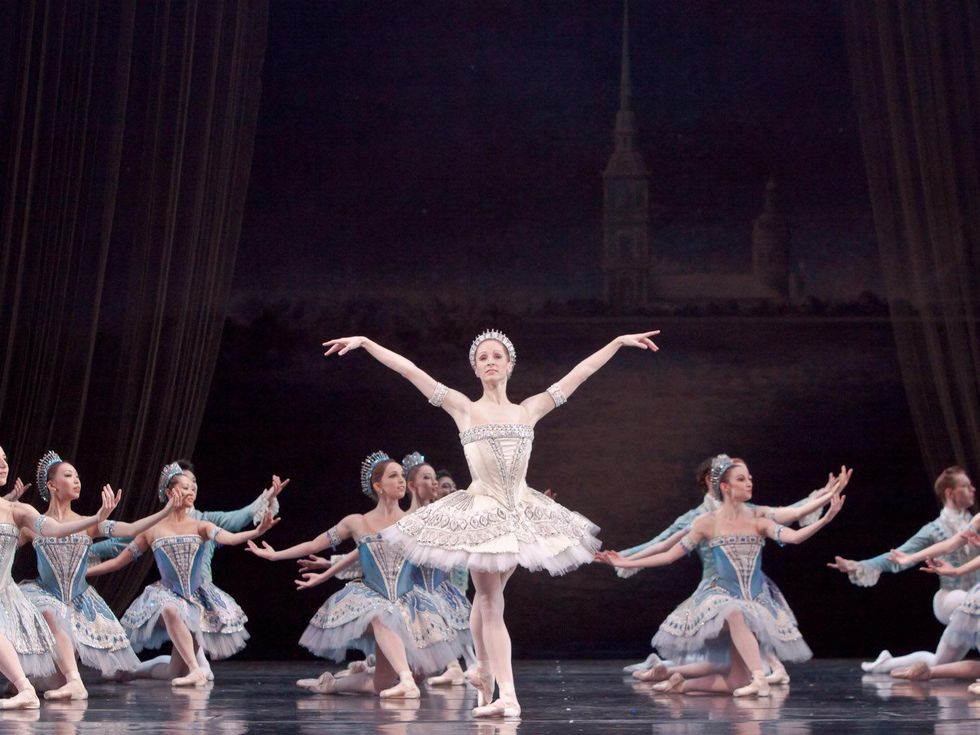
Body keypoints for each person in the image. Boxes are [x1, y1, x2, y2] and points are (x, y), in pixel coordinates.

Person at [322, 329, 660, 717]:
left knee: (487, 602)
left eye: (497, 355)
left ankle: (484, 676)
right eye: (482, 357)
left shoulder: (528, 409)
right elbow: (410, 371)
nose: (490, 361)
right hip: (481, 513)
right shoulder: (464, 408)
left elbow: (579, 374)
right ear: (475, 368)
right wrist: (367, 343)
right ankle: (508, 696)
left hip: (519, 514)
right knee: (488, 601)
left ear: (510, 365)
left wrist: (615, 342)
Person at [597, 455, 845, 697]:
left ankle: (681, 682)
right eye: (741, 478)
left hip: (752, 591)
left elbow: (792, 518)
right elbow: (664, 547)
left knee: (735, 675)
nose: (749, 482)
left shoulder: (757, 515)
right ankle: (761, 676)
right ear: (718, 483)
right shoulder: (701, 519)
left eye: (749, 477)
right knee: (733, 612)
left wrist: (826, 504)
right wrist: (625, 559)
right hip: (716, 591)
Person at [247, 452, 460, 699]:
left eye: (402, 476)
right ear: (378, 486)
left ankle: (330, 685)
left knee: (382, 683)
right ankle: (406, 681)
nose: (401, 481)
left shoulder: (413, 521)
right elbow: (315, 544)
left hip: (406, 602)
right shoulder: (356, 522)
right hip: (373, 597)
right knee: (381, 615)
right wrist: (276, 555)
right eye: (394, 476)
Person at [89, 460, 288, 681]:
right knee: (170, 609)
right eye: (185, 486)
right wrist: (84, 567)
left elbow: (231, 535)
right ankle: (195, 671)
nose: (191, 490)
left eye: (193, 485)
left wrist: (257, 531)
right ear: (169, 491)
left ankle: (131, 672)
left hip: (198, 599)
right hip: (167, 596)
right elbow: (119, 555)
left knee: (174, 671)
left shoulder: (202, 524)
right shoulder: (153, 528)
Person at [19, 451, 176, 700]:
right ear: (51, 485)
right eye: (69, 475)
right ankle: (72, 682)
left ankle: (52, 681)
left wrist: (166, 511)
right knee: (49, 611)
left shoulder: (89, 522)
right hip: (44, 595)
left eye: (78, 476)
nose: (77, 480)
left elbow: (131, 528)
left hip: (79, 602)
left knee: (52, 682)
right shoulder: (34, 525)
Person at [0, 444, 118, 709]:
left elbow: (53, 529)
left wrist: (95, 519)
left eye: (5, 458)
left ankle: (26, 689)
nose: (4, 464)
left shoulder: (17, 511)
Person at [827, 466, 978, 673]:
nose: (973, 489)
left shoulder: (974, 522)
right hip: (950, 598)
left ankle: (886, 664)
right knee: (963, 597)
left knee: (939, 663)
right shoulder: (934, 529)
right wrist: (860, 565)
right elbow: (899, 555)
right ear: (950, 493)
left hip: (973, 600)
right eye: (965, 486)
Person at [401, 452, 475, 686]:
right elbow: (376, 549)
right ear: (412, 485)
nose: (433, 483)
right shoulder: (406, 520)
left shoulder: (441, 518)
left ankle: (460, 666)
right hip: (415, 590)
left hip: (440, 586)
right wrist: (331, 564)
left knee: (452, 623)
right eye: (428, 478)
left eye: (435, 479)